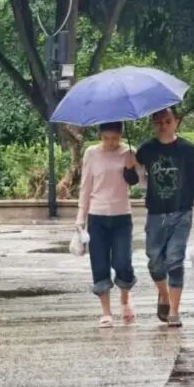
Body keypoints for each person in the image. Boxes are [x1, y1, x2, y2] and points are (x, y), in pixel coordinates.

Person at [136, 107, 194, 328]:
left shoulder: (187, 150)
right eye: (159, 121)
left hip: (182, 211)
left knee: (174, 258)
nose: (163, 125)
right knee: (154, 261)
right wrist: (130, 164)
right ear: (153, 123)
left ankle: (174, 310)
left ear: (176, 122)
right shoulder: (146, 149)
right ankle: (163, 294)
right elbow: (132, 179)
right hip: (156, 213)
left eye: (167, 121)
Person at [76, 121, 141, 328]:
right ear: (100, 136)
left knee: (123, 261)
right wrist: (80, 218)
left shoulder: (129, 152)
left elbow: (136, 181)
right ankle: (106, 311)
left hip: (122, 215)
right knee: (100, 263)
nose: (110, 143)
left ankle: (125, 300)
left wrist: (132, 166)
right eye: (106, 138)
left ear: (121, 135)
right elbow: (85, 186)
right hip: (97, 216)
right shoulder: (91, 153)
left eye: (115, 138)